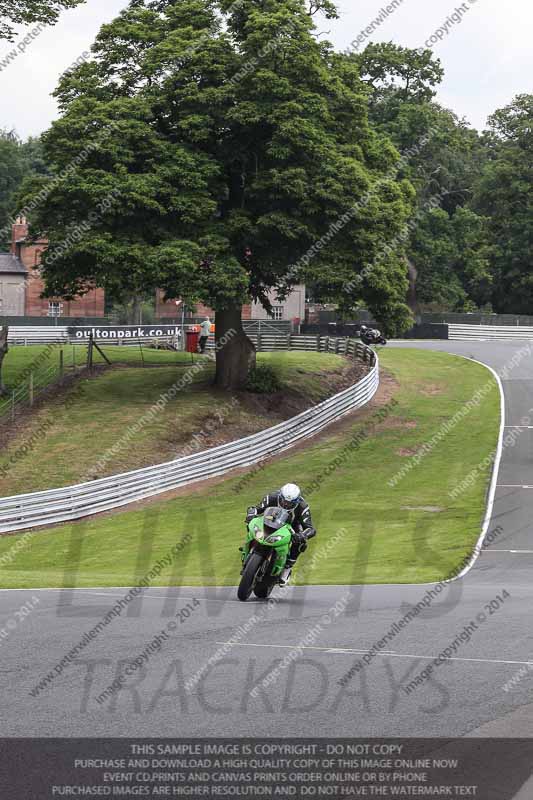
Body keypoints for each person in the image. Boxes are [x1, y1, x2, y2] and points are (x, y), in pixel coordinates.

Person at [245, 483, 316, 586]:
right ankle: (248, 548)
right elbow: (257, 508)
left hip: (292, 526)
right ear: (280, 496)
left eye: (290, 503)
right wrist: (251, 514)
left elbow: (310, 528)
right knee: (251, 524)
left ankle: (287, 568)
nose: (286, 504)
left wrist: (302, 535)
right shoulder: (272, 497)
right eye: (284, 501)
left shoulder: (302, 506)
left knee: (301, 542)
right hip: (270, 520)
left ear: (297, 501)